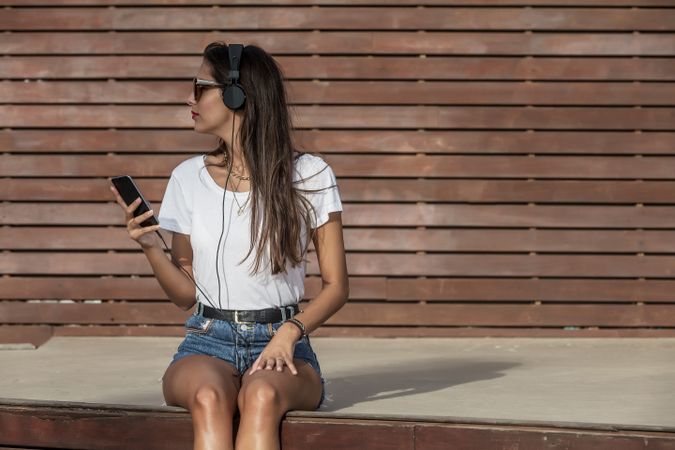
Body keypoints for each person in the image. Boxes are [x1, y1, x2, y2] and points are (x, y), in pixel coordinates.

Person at [109, 42, 348, 450]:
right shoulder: (186, 177)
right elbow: (185, 294)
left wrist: (289, 334)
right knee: (209, 397)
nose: (190, 98)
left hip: (281, 340)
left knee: (261, 395)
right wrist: (151, 245)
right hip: (206, 339)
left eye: (200, 87)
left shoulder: (310, 174)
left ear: (238, 95)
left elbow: (337, 287)